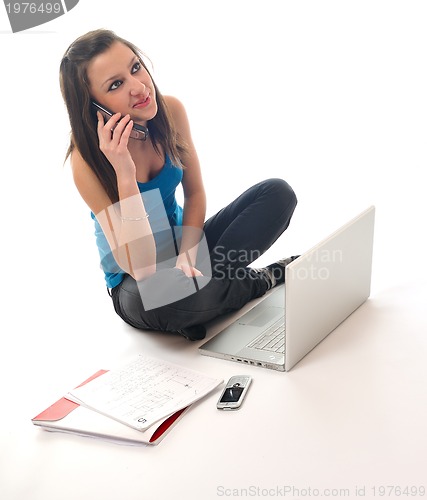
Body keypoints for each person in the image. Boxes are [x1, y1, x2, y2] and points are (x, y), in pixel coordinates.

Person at [59, 29, 298, 341]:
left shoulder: (170, 111)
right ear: (93, 106)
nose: (138, 86)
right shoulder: (86, 161)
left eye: (135, 68)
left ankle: (203, 299)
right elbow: (141, 268)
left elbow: (195, 193)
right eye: (116, 85)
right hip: (133, 280)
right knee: (166, 299)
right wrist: (124, 173)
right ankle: (258, 281)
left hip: (183, 247)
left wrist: (188, 254)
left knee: (277, 194)